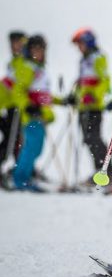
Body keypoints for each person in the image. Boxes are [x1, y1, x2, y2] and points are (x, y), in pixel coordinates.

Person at [9, 35, 53, 191]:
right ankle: (20, 180)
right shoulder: (27, 66)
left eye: (41, 49)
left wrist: (64, 100)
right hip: (31, 116)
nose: (38, 52)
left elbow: (44, 94)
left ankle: (25, 177)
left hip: (40, 115)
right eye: (34, 49)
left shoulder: (39, 68)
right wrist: (27, 105)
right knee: (31, 147)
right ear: (29, 50)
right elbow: (18, 90)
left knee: (37, 148)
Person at [69, 28, 111, 176]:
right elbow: (82, 83)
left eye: (81, 43)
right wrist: (74, 96)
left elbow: (105, 81)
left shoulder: (98, 57)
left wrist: (94, 96)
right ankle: (98, 170)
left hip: (93, 107)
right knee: (88, 140)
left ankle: (106, 170)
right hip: (82, 107)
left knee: (94, 139)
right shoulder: (83, 60)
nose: (79, 47)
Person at [1, 31, 28, 166]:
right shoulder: (13, 62)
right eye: (13, 43)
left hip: (21, 106)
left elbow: (22, 85)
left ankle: (21, 169)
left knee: (17, 138)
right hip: (11, 106)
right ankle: (18, 168)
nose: (15, 46)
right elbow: (7, 87)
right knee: (11, 138)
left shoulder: (25, 62)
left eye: (18, 42)